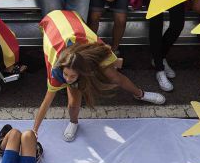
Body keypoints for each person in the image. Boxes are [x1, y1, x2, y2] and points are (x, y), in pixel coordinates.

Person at [33, 9, 165, 141]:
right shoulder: (56, 72)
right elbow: (46, 102)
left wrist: (112, 64)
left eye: (72, 76)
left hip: (73, 21)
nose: (67, 79)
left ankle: (140, 94)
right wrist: (34, 131)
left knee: (115, 76)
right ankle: (73, 122)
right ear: (61, 68)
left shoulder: (93, 47)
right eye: (66, 74)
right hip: (52, 21)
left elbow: (114, 60)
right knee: (73, 103)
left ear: (84, 70)